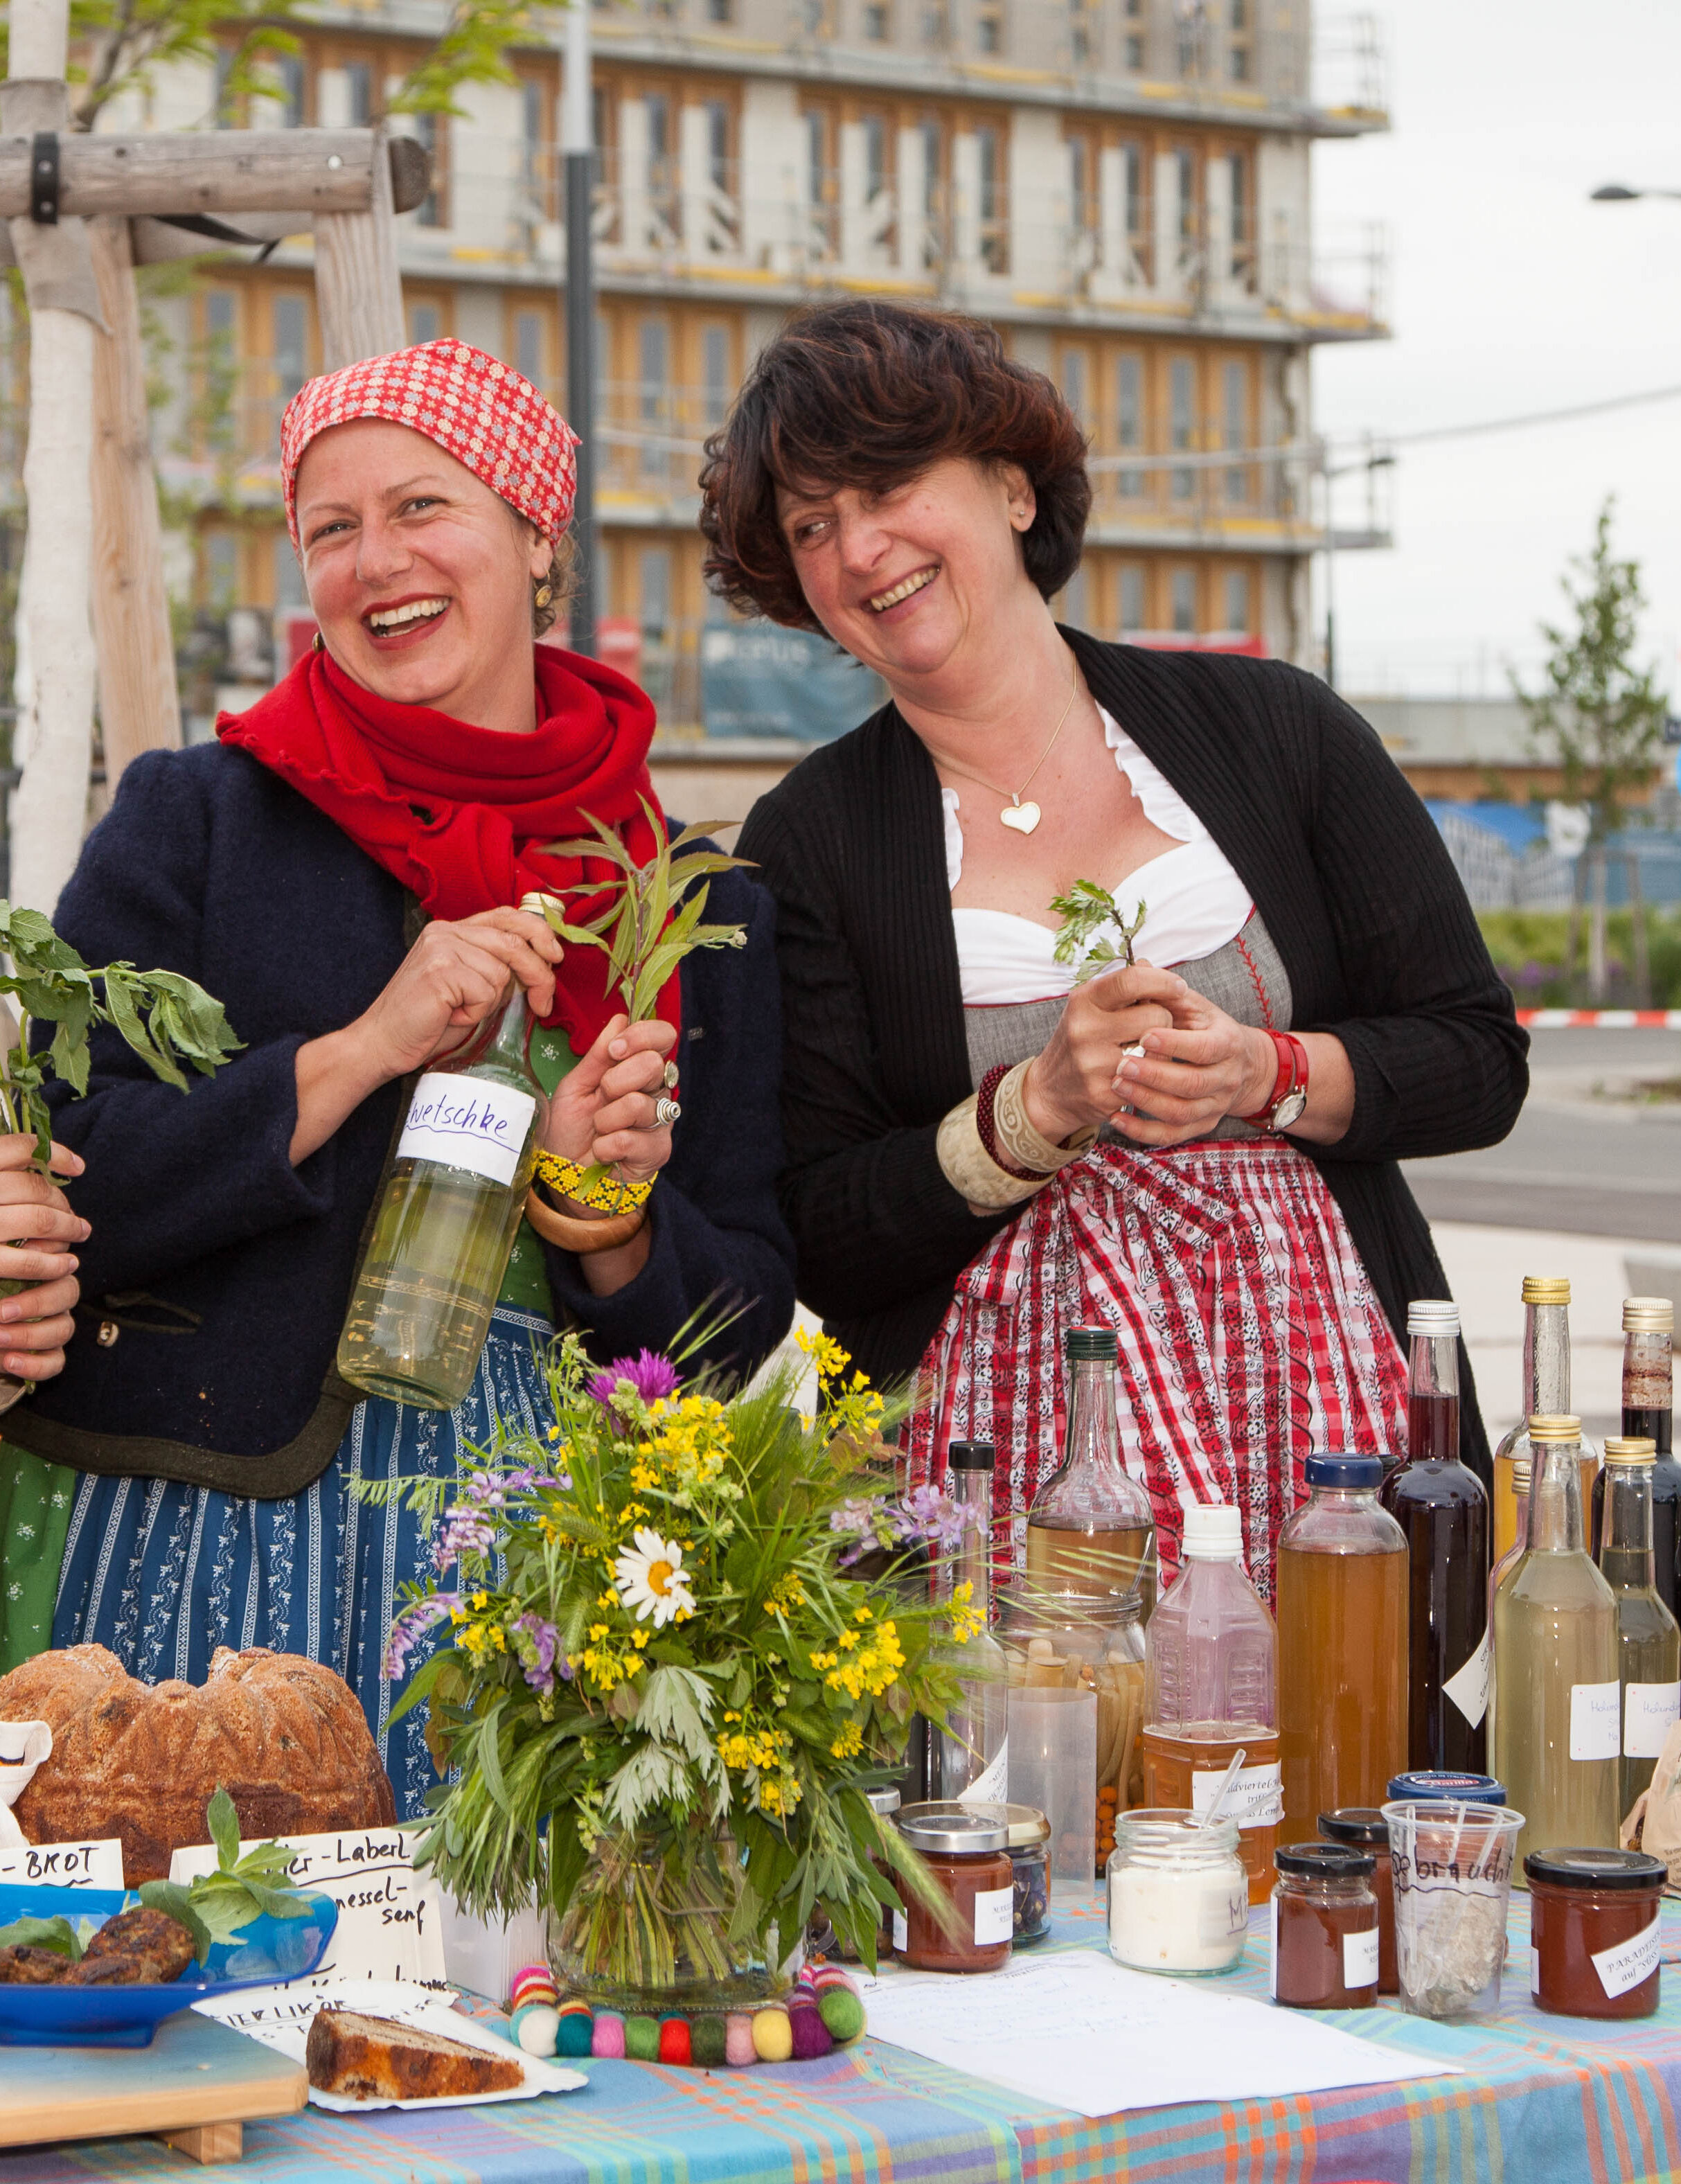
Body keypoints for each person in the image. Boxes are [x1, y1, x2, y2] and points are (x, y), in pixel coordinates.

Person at [5, 341, 794, 1809]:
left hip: (543, 1564)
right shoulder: (196, 817)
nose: (378, 561)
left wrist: (598, 1206)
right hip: (206, 1519)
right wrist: (364, 1049)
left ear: (536, 535)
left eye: (424, 506)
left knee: (503, 1997)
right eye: (332, 530)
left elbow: (732, 1331)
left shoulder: (696, 900)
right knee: (185, 1938)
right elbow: (67, 1175)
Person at [709, 300, 1527, 1601]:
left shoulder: (1276, 729)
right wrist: (1029, 1113)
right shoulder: (808, 841)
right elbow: (814, 1228)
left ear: (1014, 489)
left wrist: (1263, 1070)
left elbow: (1479, 1060)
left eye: (890, 486)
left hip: (1332, 1451)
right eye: (813, 527)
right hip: (996, 1488)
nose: (862, 549)